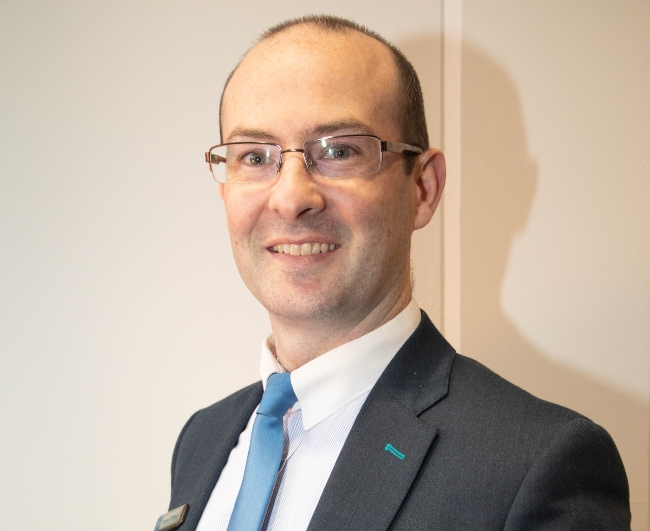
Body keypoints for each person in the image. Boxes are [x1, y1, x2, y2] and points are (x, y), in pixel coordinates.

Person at [158, 15, 630, 531]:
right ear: (225, 190)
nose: (291, 197)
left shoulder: (538, 465)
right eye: (254, 156)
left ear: (423, 189)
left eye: (338, 151)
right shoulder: (202, 440)